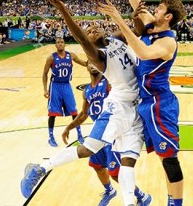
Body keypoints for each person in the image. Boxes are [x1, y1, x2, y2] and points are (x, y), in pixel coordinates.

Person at [21, 0, 147, 206]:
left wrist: (139, 15)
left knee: (127, 163)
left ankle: (134, 202)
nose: (93, 28)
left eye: (94, 26)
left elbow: (138, 30)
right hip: (118, 107)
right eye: (89, 30)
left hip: (138, 109)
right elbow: (80, 37)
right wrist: (61, 8)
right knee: (88, 149)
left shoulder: (115, 38)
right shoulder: (97, 57)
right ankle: (40, 169)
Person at [108, 0, 187, 205]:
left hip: (160, 104)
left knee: (169, 159)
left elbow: (142, 52)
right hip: (144, 103)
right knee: (132, 152)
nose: (155, 9)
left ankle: (175, 203)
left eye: (160, 8)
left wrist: (121, 22)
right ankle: (139, 196)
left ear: (168, 18)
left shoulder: (168, 42)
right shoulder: (153, 27)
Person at [61, 62, 151, 206]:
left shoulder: (109, 83)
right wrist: (69, 127)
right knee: (97, 165)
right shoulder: (87, 91)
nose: (93, 65)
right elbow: (84, 114)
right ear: (87, 66)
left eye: (94, 62)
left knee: (115, 173)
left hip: (112, 132)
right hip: (98, 132)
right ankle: (109, 191)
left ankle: (142, 196)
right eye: (89, 62)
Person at [42, 37, 87, 147]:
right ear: (56, 45)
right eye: (58, 42)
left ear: (65, 44)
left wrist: (92, 59)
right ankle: (51, 137)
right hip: (55, 86)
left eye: (62, 42)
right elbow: (45, 73)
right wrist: (44, 89)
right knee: (52, 113)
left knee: (74, 111)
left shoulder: (71, 55)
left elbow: (85, 64)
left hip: (67, 85)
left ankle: (79, 135)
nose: (60, 44)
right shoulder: (51, 58)